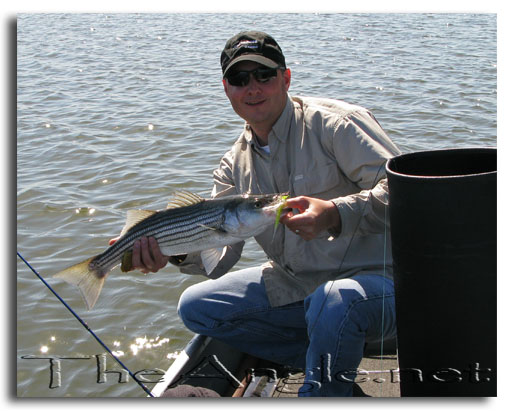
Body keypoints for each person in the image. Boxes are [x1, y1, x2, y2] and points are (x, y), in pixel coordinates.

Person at [123, 31, 400, 397]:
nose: (252, 87)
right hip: (297, 283)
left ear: (285, 78)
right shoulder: (232, 165)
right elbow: (219, 255)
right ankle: (330, 369)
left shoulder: (337, 125)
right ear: (226, 89)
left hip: (382, 286)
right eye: (240, 79)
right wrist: (170, 252)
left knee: (333, 300)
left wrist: (334, 213)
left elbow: (404, 194)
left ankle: (323, 390)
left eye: (264, 75)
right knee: (196, 307)